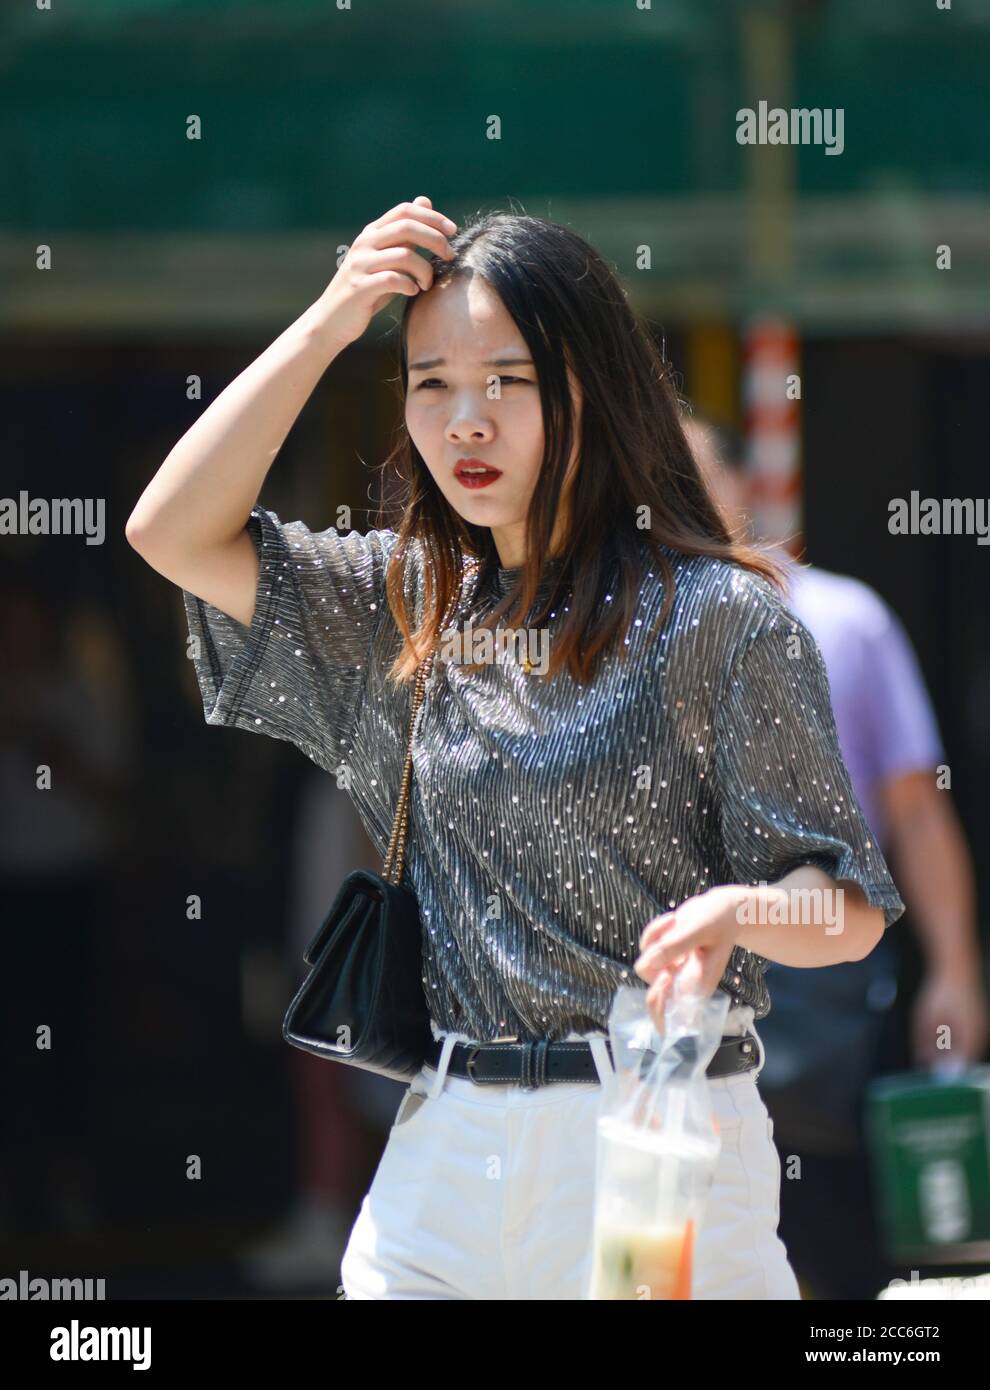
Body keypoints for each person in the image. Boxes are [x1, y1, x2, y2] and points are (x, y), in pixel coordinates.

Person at [126, 196, 905, 1300]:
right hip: (445, 1154)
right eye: (431, 382)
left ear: (589, 391)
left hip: (652, 1138)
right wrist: (335, 317)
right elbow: (169, 529)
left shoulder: (725, 619)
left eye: (506, 380)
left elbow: (851, 908)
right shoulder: (410, 604)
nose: (465, 422)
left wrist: (746, 915)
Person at [685, 412, 988, 1298]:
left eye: (693, 476)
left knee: (826, 1242)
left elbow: (916, 814)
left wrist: (957, 971)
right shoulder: (605, 630)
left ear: (743, 487)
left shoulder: (841, 621)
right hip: (663, 992)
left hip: (814, 982)